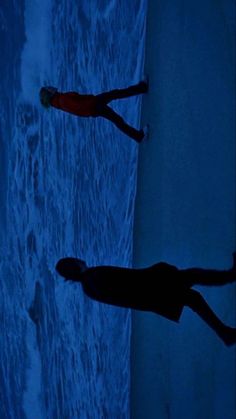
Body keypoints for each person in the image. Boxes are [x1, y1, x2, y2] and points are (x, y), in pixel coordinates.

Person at [55, 253, 236, 347]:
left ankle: (224, 332)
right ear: (75, 263)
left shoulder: (89, 286)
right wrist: (156, 273)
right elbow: (131, 284)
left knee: (193, 294)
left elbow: (126, 290)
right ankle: (231, 276)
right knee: (193, 279)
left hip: (152, 294)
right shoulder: (94, 276)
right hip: (155, 288)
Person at [39, 81, 149, 142]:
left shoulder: (59, 101)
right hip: (95, 105)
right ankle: (138, 136)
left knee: (115, 95)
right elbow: (80, 106)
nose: (50, 86)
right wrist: (94, 103)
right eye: (48, 88)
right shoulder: (62, 99)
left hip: (94, 105)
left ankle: (141, 88)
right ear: (50, 93)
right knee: (117, 119)